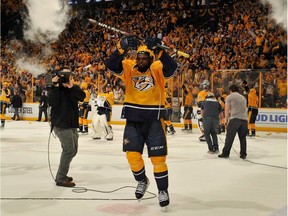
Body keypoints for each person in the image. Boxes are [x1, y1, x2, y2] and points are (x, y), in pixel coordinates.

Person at [105, 35, 178, 208]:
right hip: (133, 120)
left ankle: (162, 190)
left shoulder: (157, 68)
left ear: (151, 58)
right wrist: (120, 48)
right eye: (139, 58)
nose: (142, 60)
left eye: (145, 58)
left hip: (153, 121)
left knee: (158, 159)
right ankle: (142, 180)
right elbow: (111, 64)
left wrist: (160, 52)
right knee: (132, 156)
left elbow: (172, 68)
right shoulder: (130, 68)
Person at [48, 69, 86, 187]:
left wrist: (71, 87)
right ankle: (60, 178)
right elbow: (52, 103)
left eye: (67, 76)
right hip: (61, 125)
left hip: (72, 124)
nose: (65, 78)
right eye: (63, 76)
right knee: (69, 150)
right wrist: (54, 86)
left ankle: (62, 174)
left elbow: (82, 96)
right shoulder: (55, 89)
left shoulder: (72, 88)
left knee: (73, 151)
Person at [218, 84, 248, 159]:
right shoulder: (243, 98)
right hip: (244, 120)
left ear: (230, 90)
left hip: (235, 119)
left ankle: (225, 153)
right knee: (242, 138)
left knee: (229, 137)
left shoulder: (229, 97)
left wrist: (226, 119)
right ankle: (243, 153)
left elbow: (227, 109)